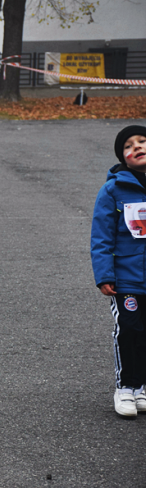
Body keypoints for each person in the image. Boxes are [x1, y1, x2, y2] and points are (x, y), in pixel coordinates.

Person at [91, 125, 146, 417]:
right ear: (123, 158)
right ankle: (125, 388)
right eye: (129, 145)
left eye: (142, 140)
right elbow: (101, 236)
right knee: (129, 329)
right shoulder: (113, 190)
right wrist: (105, 275)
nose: (137, 146)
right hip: (126, 279)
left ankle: (142, 388)